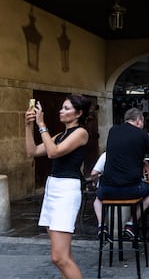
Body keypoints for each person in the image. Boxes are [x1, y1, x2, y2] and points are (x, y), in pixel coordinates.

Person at [25, 94, 91, 278]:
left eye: (67, 108)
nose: (61, 111)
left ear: (78, 113)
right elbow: (32, 151)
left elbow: (53, 153)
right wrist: (28, 125)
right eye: (62, 107)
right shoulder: (60, 135)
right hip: (52, 187)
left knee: (59, 258)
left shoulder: (81, 133)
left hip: (66, 190)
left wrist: (42, 125)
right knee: (64, 255)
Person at [96, 107, 149, 238]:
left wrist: (142, 162)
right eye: (142, 122)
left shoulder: (113, 130)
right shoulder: (142, 135)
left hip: (107, 190)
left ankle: (101, 225)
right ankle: (131, 224)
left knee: (98, 197)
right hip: (132, 189)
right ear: (138, 120)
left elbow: (124, 152)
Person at [90, 152, 149, 240]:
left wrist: (97, 183)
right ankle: (131, 224)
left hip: (109, 192)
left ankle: (102, 226)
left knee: (98, 199)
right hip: (131, 192)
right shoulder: (135, 154)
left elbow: (94, 173)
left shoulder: (106, 155)